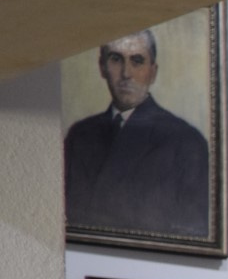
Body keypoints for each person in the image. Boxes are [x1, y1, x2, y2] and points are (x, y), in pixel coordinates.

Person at [64, 29, 210, 238]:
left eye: (137, 61)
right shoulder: (80, 136)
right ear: (102, 67)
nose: (126, 73)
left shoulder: (185, 142)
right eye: (116, 59)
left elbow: (192, 231)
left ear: (153, 72)